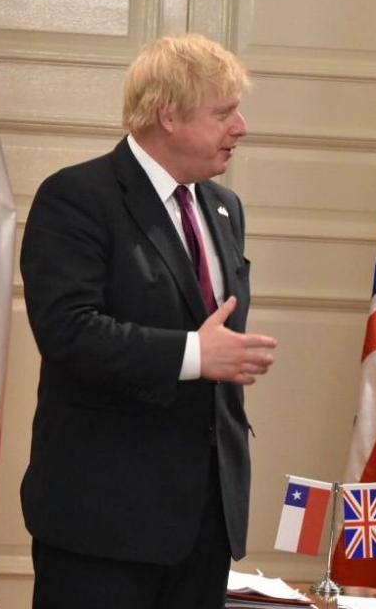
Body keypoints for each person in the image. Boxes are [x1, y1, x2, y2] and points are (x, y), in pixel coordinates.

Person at [20, 33, 277, 609]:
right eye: (224, 112)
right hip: (103, 526)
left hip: (204, 520)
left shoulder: (222, 207)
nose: (241, 127)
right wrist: (194, 355)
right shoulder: (77, 197)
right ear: (168, 114)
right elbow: (68, 331)